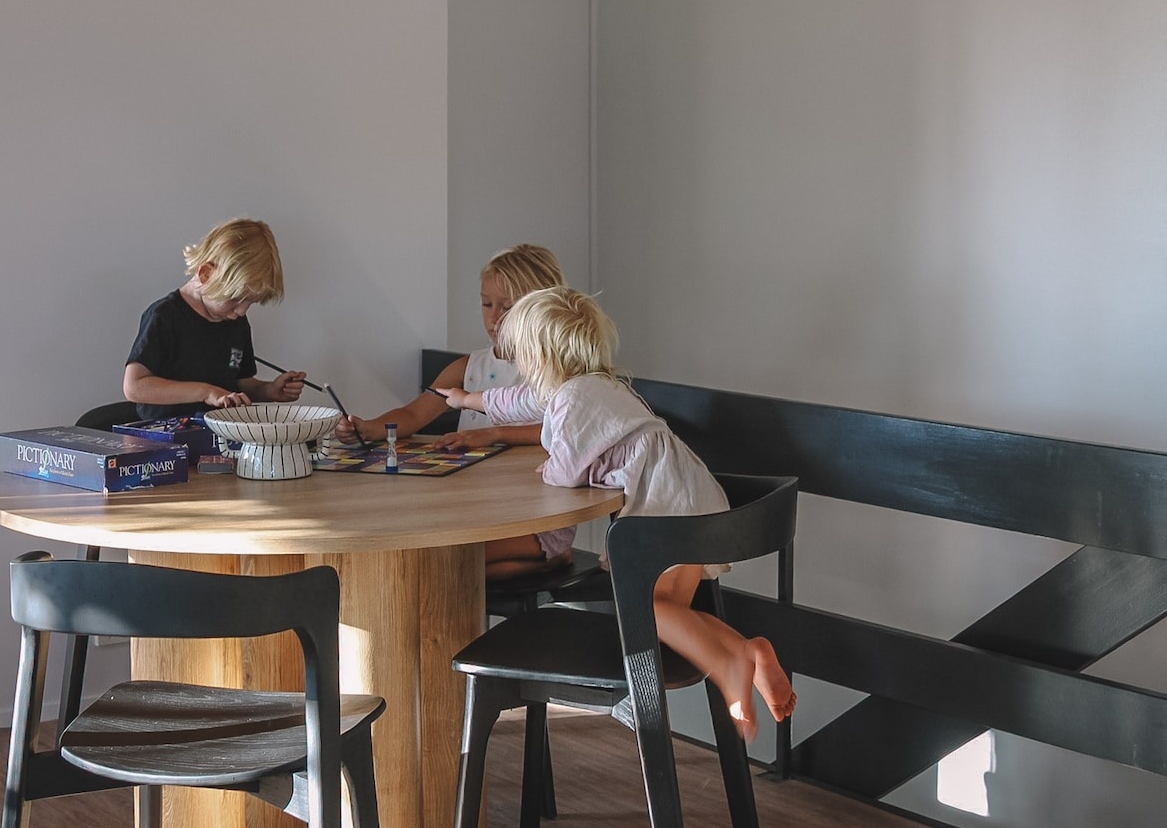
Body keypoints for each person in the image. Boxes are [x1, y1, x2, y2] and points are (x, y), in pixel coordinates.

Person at [436, 285, 797, 739]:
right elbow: (516, 402)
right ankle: (747, 649)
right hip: (690, 493)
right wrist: (466, 400)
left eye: (523, 356)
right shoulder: (593, 385)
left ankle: (728, 666)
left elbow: (566, 472)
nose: (520, 368)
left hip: (666, 506)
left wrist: (549, 467)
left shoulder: (573, 399)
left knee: (645, 609)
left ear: (541, 357)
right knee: (668, 610)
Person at [336, 243, 572, 578]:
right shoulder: (468, 368)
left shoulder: (557, 372)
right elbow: (414, 415)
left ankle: (554, 554)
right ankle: (550, 560)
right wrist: (370, 428)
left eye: (507, 306)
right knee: (442, 566)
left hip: (535, 516)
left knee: (446, 565)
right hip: (473, 515)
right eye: (486, 303)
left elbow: (559, 431)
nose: (494, 317)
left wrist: (492, 433)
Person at [123, 218, 306, 419]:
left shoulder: (236, 323)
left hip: (221, 432)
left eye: (250, 303)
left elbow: (240, 383)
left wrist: (269, 390)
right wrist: (206, 392)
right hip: (164, 434)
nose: (241, 311)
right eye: (235, 299)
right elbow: (134, 387)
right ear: (206, 274)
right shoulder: (164, 317)